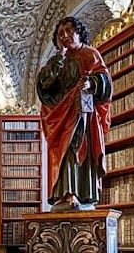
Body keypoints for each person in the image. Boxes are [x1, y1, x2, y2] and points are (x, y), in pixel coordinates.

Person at [37, 17, 112, 212]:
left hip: (83, 114)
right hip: (63, 114)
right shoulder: (57, 61)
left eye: (69, 31)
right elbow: (45, 86)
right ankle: (67, 194)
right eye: (60, 34)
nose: (65, 36)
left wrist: (92, 83)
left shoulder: (90, 54)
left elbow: (104, 80)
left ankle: (85, 194)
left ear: (79, 32)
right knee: (66, 152)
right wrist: (59, 59)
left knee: (82, 150)